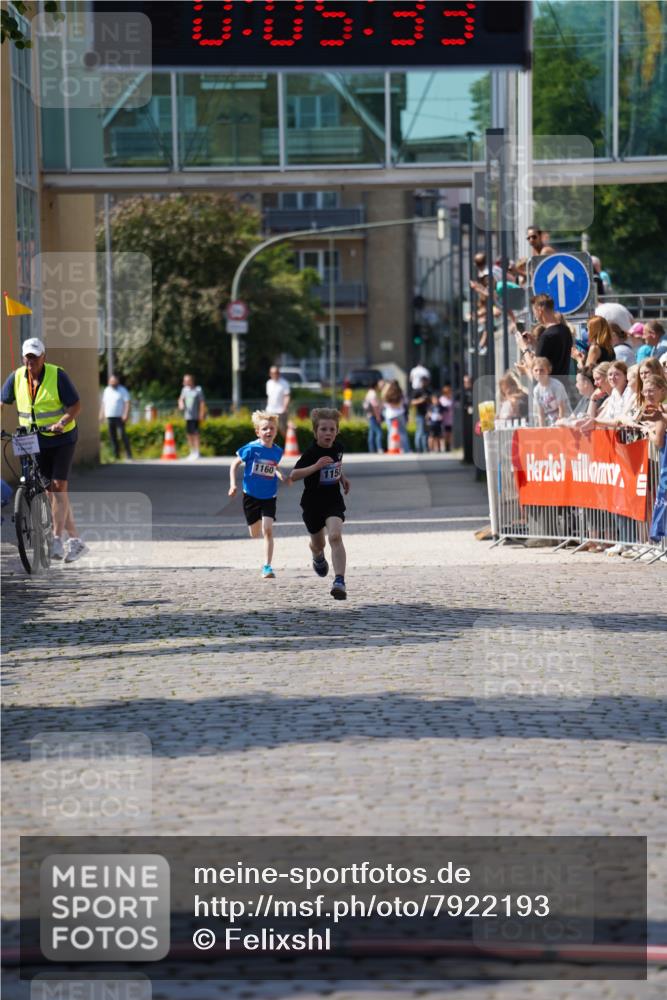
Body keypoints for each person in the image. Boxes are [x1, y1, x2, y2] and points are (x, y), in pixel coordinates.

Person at [1, 337, 88, 563]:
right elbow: (2, 402)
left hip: (61, 438)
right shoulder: (17, 377)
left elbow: (76, 404)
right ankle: (76, 540)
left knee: (59, 487)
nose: (31, 362)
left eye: (35, 357)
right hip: (32, 440)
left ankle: (57, 538)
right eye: (27, 357)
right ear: (23, 358)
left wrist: (62, 421)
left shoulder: (58, 375)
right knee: (50, 491)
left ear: (43, 357)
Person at [288, 408, 350, 601]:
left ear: (337, 431)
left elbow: (336, 466)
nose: (328, 433)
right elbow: (293, 475)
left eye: (332, 429)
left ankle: (339, 581)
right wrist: (315, 467)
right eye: (323, 429)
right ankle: (317, 555)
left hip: (333, 501)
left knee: (335, 536)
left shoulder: (338, 448)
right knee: (319, 544)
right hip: (312, 504)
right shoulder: (311, 452)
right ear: (315, 432)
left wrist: (342, 479)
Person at [228, 410, 287, 579]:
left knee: (267, 530)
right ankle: (257, 522)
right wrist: (233, 484)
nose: (268, 432)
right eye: (265, 429)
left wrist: (281, 475)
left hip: (269, 496)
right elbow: (234, 464)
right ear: (258, 432)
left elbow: (274, 466)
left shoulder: (277, 451)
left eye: (272, 429)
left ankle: (267, 566)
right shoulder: (251, 449)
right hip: (251, 496)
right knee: (255, 533)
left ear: (276, 431)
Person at [527, 294, 573, 377]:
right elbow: (552, 355)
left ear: (540, 311)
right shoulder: (565, 330)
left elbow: (536, 369)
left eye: (534, 313)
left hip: (549, 387)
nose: (535, 317)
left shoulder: (546, 336)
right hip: (563, 385)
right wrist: (535, 343)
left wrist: (524, 349)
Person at [100, 374, 132, 460]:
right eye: (111, 381)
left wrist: (126, 414)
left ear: (117, 381)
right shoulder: (106, 390)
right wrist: (101, 414)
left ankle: (129, 455)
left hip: (120, 417)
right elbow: (103, 404)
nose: (112, 382)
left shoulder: (122, 390)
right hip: (110, 416)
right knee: (112, 436)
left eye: (114, 381)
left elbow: (127, 402)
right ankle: (116, 456)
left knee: (122, 435)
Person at [532, 356, 571, 426]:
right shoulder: (536, 390)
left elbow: (562, 408)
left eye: (542, 370)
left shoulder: (556, 385)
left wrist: (560, 426)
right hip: (551, 422)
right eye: (536, 370)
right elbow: (540, 413)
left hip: (565, 421)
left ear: (548, 370)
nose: (539, 373)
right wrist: (542, 429)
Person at [178, 374, 205, 460]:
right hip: (187, 416)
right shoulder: (184, 390)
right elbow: (180, 399)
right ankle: (192, 451)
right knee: (189, 434)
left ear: (191, 381)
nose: (184, 382)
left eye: (186, 380)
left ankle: (197, 452)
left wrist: (201, 414)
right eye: (184, 380)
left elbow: (202, 403)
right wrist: (181, 404)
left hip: (195, 416)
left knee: (196, 434)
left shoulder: (198, 390)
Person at [381, 379, 411, 453]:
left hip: (389, 414)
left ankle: (391, 448)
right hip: (399, 413)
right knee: (402, 432)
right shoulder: (400, 392)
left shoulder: (386, 392)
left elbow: (383, 401)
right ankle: (406, 449)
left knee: (391, 432)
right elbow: (405, 403)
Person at [265, 365, 291, 437]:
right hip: (270, 411)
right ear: (270, 374)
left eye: (276, 372)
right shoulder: (268, 383)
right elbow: (269, 397)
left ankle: (288, 446)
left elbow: (287, 396)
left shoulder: (284, 383)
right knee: (269, 431)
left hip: (280, 411)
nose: (274, 374)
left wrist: (285, 408)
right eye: (272, 373)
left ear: (279, 373)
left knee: (283, 430)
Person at [409, 376, 430, 453]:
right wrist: (420, 400)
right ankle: (418, 448)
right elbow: (412, 402)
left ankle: (425, 449)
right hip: (419, 414)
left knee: (426, 433)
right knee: (420, 431)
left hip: (427, 414)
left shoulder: (428, 391)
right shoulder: (417, 391)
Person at [363, 379, 384, 454]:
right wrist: (378, 416)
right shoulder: (373, 394)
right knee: (379, 432)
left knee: (371, 433)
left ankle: (371, 449)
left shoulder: (369, 393)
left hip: (369, 415)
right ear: (375, 385)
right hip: (373, 415)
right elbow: (375, 406)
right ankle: (379, 448)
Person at [439, 383, 455, 450]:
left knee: (450, 434)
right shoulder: (441, 399)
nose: (448, 393)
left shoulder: (451, 399)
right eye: (446, 392)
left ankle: (449, 446)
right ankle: (444, 446)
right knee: (444, 434)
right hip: (443, 419)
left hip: (450, 419)